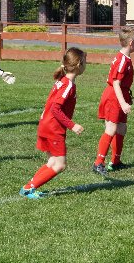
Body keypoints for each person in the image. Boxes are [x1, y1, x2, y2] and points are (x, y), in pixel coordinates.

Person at [19, 48, 86, 199]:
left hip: (46, 124)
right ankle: (29, 188)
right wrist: (72, 125)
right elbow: (55, 108)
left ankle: (29, 187)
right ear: (79, 65)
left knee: (52, 162)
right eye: (85, 62)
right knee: (60, 164)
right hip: (53, 128)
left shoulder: (62, 81)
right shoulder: (68, 85)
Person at [92, 27, 134, 174]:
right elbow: (116, 83)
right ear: (131, 43)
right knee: (111, 128)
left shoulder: (125, 58)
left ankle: (115, 161)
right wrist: (123, 103)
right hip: (114, 96)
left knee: (121, 128)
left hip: (120, 95)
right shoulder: (122, 60)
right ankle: (98, 163)